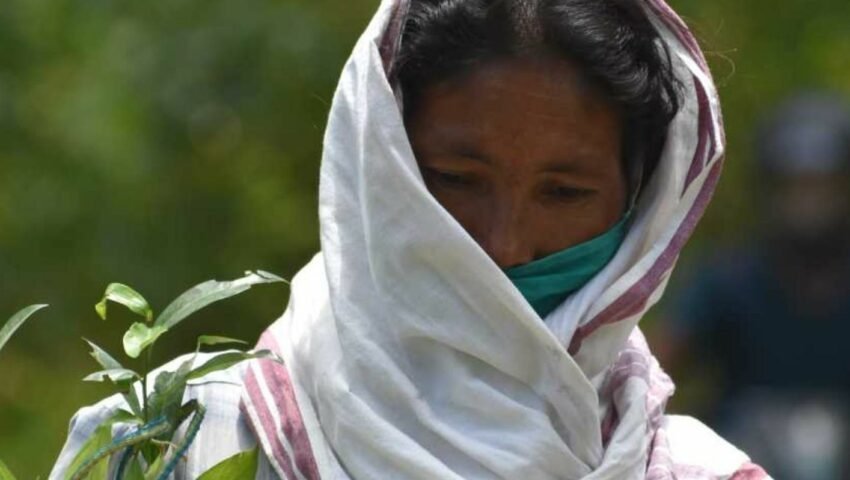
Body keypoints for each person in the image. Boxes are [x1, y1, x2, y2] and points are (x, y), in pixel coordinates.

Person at [51, 0, 769, 478]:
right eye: (456, 179)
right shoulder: (171, 442)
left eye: (564, 193)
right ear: (379, 172)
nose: (506, 247)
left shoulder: (701, 474)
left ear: (642, 208)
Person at [657, 92, 850, 480]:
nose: (808, 203)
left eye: (822, 186)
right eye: (795, 186)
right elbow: (659, 368)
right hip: (747, 457)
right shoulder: (727, 278)